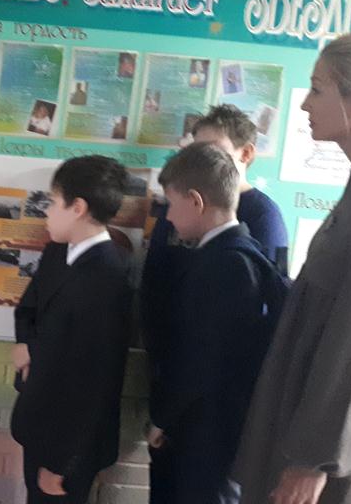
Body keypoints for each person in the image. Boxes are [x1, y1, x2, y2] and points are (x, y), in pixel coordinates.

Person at [233, 31, 351, 504]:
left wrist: (314, 459)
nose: (304, 103)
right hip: (319, 414)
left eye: (318, 89)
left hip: (346, 438)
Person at [141, 104, 288, 504]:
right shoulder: (228, 252)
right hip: (197, 424)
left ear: (196, 201)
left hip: (209, 431)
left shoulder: (230, 263)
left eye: (171, 206)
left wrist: (165, 417)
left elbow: (204, 357)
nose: (168, 218)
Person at [9, 155, 133, 503]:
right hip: (39, 422)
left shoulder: (108, 277)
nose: (46, 212)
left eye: (52, 202)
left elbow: (96, 383)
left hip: (67, 446)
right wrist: (26, 345)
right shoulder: (57, 252)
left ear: (77, 208)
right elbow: (28, 309)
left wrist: (61, 463)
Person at [191, 104, 289, 265]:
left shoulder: (265, 214)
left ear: (245, 153)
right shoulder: (184, 202)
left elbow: (273, 277)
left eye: (214, 149)